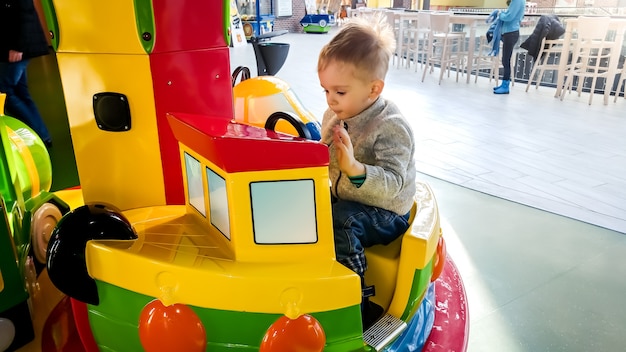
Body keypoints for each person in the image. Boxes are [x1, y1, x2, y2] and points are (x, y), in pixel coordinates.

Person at [317, 15, 416, 329]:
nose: (331, 100)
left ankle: (355, 303)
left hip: (385, 210)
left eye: (340, 92)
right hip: (345, 195)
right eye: (326, 91)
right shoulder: (336, 114)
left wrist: (356, 170)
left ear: (374, 89)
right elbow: (322, 153)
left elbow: (393, 182)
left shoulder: (391, 126)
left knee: (341, 222)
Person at [0, 0, 53, 147]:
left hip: (18, 48)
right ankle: (41, 135)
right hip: (13, 47)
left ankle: (35, 134)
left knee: (5, 93)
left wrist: (18, 47)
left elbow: (25, 14)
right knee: (20, 93)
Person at [493, 0, 526, 94]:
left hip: (510, 33)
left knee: (505, 60)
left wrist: (500, 14)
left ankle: (505, 86)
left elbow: (509, 17)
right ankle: (504, 84)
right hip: (510, 32)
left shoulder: (517, 0)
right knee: (505, 60)